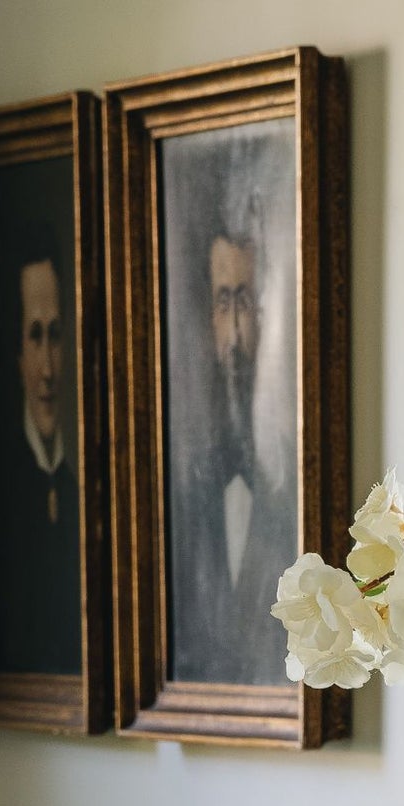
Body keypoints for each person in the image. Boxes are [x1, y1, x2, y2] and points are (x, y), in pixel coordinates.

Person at [169, 213, 296, 684]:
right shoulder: (187, 483)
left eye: (246, 300)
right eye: (225, 303)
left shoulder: (294, 480)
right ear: (209, 319)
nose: (237, 333)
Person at [0, 245, 81, 676]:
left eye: (55, 336)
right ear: (18, 356)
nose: (48, 370)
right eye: (35, 336)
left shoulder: (77, 488)